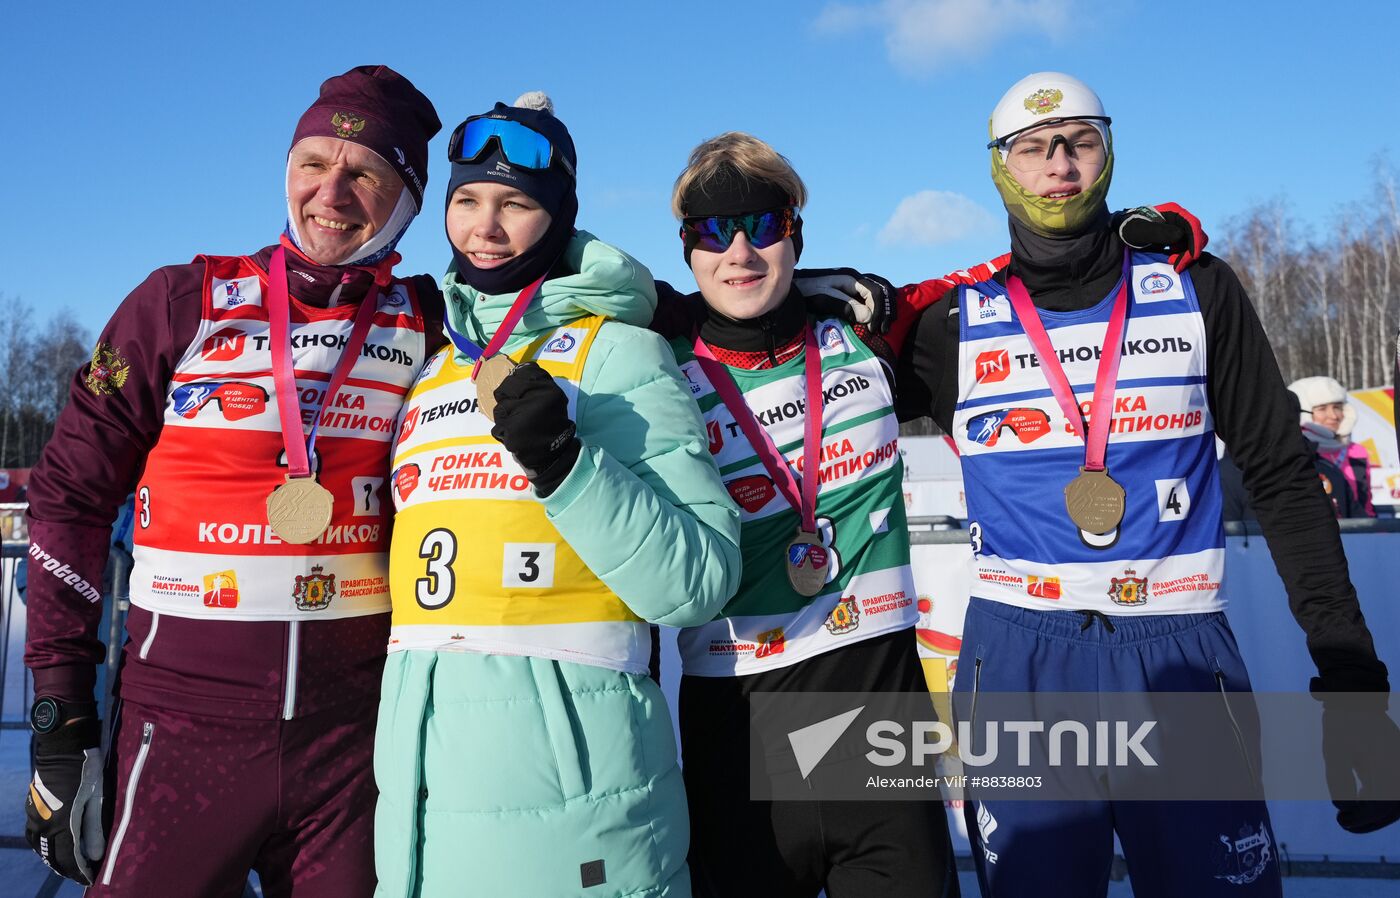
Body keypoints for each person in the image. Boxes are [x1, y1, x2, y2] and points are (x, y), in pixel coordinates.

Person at [892, 71, 1397, 896]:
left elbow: (1280, 475)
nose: (1059, 162)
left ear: (1109, 154)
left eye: (1079, 141)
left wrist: (1352, 684)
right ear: (999, 168)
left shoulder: (1197, 287)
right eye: (1032, 147)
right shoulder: (952, 323)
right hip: (1020, 661)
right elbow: (783, 353)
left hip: (1177, 651)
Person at [22, 65, 443, 895]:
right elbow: (69, 495)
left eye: (365, 173)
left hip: (351, 742)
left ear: (406, 198)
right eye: (312, 162)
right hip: (183, 724)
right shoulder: (184, 300)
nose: (332, 191)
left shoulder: (431, 319)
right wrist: (59, 707)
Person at [374, 94, 741, 898]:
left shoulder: (620, 355)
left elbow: (700, 581)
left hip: (575, 814)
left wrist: (566, 463)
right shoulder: (434, 365)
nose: (486, 226)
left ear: (560, 216)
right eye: (467, 200)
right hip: (418, 804)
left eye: (516, 204)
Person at [662, 132, 961, 898]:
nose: (739, 252)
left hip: (878, 719)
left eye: (762, 225)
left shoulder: (867, 333)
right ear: (686, 249)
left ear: (795, 233)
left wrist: (1148, 236)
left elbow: (1026, 289)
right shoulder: (656, 365)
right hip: (738, 727)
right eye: (710, 232)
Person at [1289, 375, 1375, 517]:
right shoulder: (1296, 453)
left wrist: (1374, 534)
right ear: (1303, 412)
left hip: (1355, 534)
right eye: (1322, 409)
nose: (1334, 416)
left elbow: (1366, 505)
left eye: (1337, 407)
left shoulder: (1356, 451)